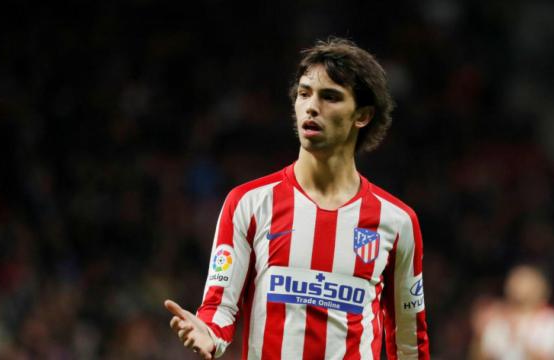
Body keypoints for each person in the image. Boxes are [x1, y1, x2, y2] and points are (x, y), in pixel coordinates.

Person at [165, 37, 430, 359]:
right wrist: (208, 332)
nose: (312, 106)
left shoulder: (397, 221)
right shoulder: (248, 204)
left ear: (362, 116)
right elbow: (219, 308)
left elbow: (410, 342)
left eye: (330, 97)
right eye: (304, 94)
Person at [469, 265, 554, 360]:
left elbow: (550, 356)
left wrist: (518, 337)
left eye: (524, 281)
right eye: (515, 280)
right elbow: (481, 355)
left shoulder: (552, 319)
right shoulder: (497, 315)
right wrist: (479, 334)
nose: (517, 286)